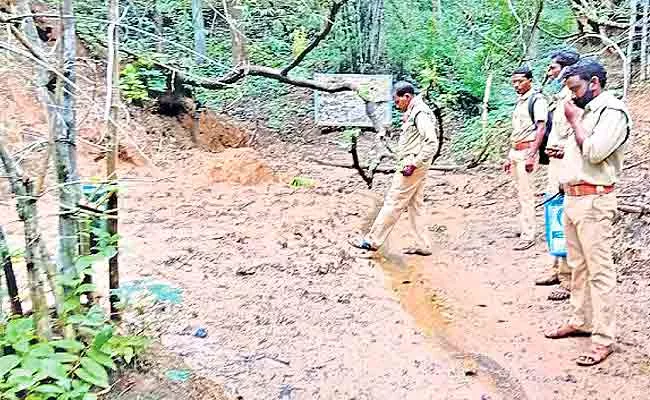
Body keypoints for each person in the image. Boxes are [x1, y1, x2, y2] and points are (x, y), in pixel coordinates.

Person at [544, 59, 631, 367]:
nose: (572, 95)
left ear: (595, 83)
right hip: (572, 199)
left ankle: (604, 339)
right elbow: (578, 151)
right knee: (578, 266)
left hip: (595, 201)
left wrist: (574, 120)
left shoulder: (612, 112)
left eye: (576, 88)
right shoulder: (585, 109)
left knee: (600, 271)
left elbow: (595, 152)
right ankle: (580, 320)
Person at [350, 81, 438, 256]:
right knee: (416, 205)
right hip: (415, 163)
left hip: (412, 165)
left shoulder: (420, 113)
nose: (396, 105)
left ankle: (372, 241)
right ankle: (423, 245)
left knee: (393, 202)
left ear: (407, 97)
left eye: (397, 101)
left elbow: (431, 142)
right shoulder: (415, 111)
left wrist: (414, 164)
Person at [535, 50, 580, 301]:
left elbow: (579, 131)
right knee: (554, 216)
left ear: (567, 69)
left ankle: (567, 278)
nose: (550, 72)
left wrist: (562, 149)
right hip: (555, 163)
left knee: (563, 218)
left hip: (566, 163)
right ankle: (556, 268)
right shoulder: (559, 96)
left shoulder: (573, 98)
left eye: (554, 68)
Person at [504, 66, 548, 251]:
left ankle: (529, 234)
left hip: (527, 152)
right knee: (520, 193)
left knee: (527, 194)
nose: (516, 85)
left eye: (520, 81)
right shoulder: (520, 102)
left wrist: (531, 154)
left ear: (530, 80)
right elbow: (517, 131)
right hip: (516, 151)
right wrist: (509, 155)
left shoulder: (537, 100)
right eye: (514, 81)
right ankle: (524, 226)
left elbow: (541, 128)